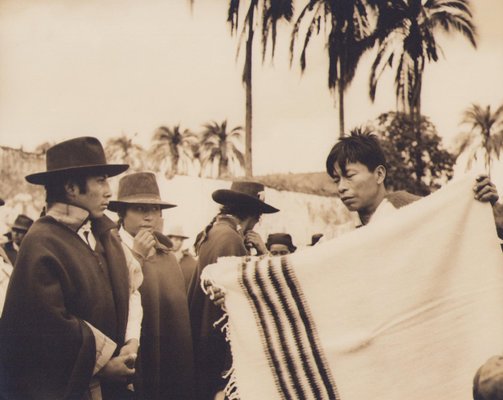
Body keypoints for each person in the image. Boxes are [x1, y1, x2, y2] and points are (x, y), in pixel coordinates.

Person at [0, 136, 141, 400]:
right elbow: (44, 325)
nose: (109, 191)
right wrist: (102, 365)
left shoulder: (106, 234)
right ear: (71, 188)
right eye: (100, 180)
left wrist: (131, 342)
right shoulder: (42, 242)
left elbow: (134, 289)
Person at [188, 181, 279, 400]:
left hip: (205, 337)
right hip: (217, 343)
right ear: (252, 215)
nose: (258, 223)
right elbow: (236, 302)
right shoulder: (230, 239)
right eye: (258, 217)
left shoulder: (216, 231)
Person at [109, 172, 195, 400]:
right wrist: (136, 256)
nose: (149, 217)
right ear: (121, 213)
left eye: (155, 209)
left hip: (168, 364)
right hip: (134, 361)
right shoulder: (111, 251)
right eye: (140, 209)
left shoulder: (167, 256)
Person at [325, 130, 501, 229]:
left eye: (349, 176)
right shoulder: (344, 234)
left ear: (379, 174)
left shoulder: (410, 209)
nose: (341, 187)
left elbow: (457, 227)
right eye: (336, 180)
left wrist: (482, 208)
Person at [167, 225, 197, 290]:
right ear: (169, 239)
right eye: (176, 240)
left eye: (181, 240)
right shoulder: (163, 256)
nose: (179, 242)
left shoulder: (188, 258)